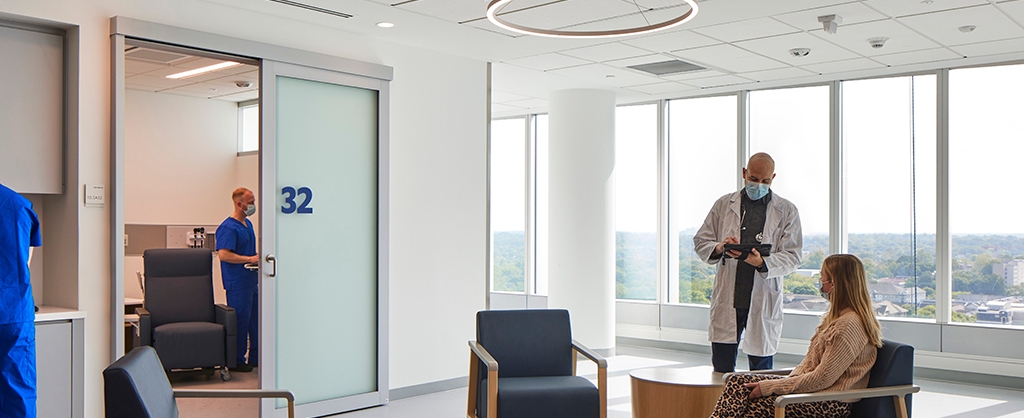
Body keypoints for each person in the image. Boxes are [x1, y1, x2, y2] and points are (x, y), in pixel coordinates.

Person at [709, 254, 884, 418]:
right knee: (737, 382)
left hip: (828, 402)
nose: (820, 282)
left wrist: (773, 387)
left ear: (834, 284)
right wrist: (780, 385)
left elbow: (823, 378)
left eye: (823, 278)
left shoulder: (849, 325)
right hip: (812, 394)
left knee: (749, 407)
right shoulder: (838, 317)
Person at [694, 152, 802, 373]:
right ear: (744, 173)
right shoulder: (724, 204)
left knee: (761, 374)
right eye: (753, 179)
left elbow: (793, 256)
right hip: (730, 297)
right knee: (722, 371)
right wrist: (721, 247)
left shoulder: (787, 210)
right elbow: (701, 241)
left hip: (762, 298)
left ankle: (759, 410)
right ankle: (722, 408)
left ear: (773, 178)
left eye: (765, 181)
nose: (758, 185)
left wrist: (762, 262)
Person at [0, 182, 42, 418]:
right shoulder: (20, 205)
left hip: (14, 312)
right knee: (18, 396)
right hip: (13, 313)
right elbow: (25, 262)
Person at [216, 187, 259, 372]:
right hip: (237, 283)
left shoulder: (248, 225)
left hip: (251, 281)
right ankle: (237, 361)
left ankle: (256, 357)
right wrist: (249, 259)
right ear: (239, 204)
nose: (253, 206)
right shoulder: (228, 227)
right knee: (240, 321)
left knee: (256, 320)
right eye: (250, 203)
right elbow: (224, 255)